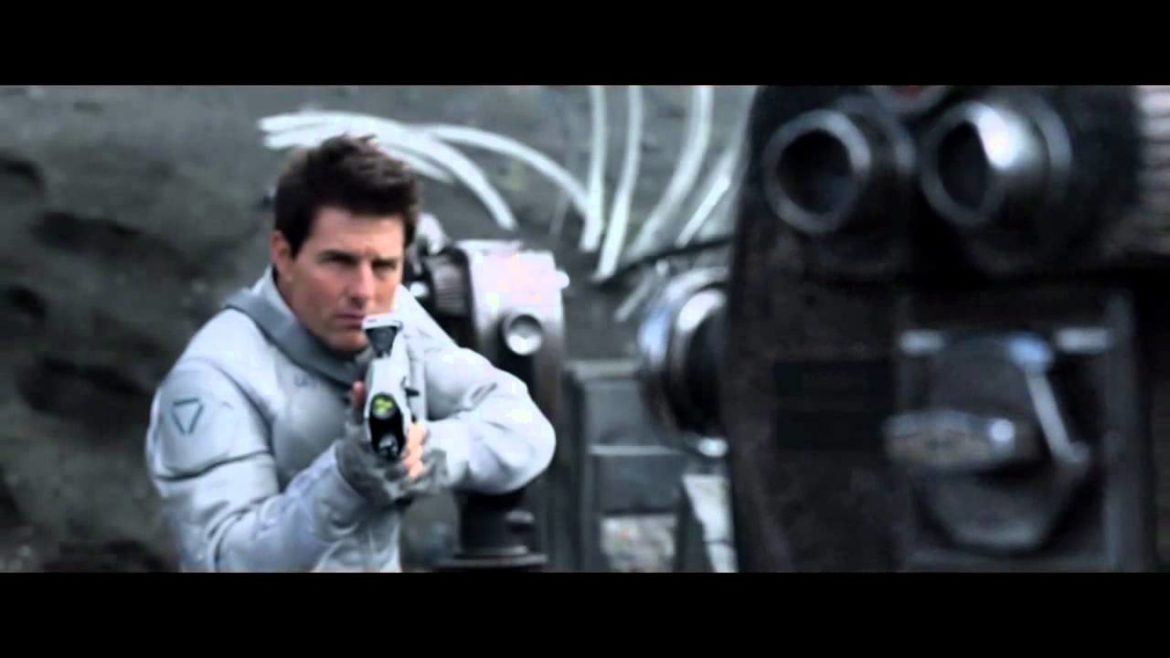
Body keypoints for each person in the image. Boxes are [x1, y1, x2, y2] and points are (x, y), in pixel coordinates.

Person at [144, 135, 556, 571]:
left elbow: (525, 431)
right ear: (284, 255)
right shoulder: (214, 380)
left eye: (384, 266)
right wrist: (343, 479)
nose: (363, 291)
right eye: (339, 262)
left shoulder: (389, 314)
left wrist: (431, 452)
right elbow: (226, 561)